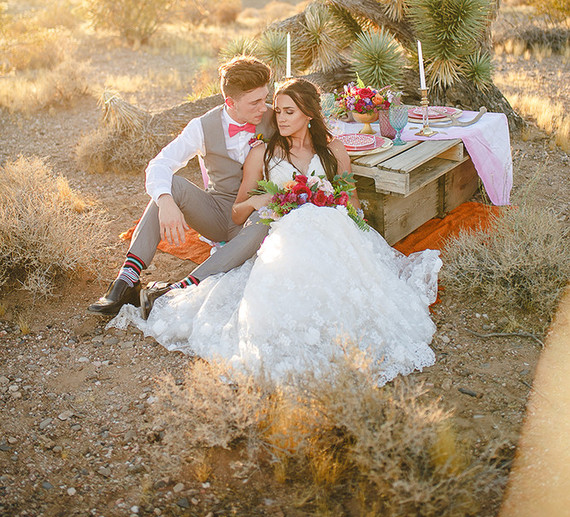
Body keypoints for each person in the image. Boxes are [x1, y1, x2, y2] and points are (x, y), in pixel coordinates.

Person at [108, 79, 442, 385]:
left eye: (287, 111)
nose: (277, 117)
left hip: (330, 233)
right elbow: (238, 212)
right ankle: (133, 280)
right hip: (280, 233)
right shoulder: (263, 152)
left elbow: (352, 201)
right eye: (276, 110)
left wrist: (338, 208)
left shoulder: (334, 150)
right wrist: (263, 200)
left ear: (309, 114)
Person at [88, 56, 273, 316]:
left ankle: (181, 288)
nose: (263, 107)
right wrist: (165, 201)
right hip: (218, 214)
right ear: (230, 102)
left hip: (256, 215)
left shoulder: (277, 118)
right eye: (255, 102)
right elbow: (159, 164)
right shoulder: (202, 126)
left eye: (265, 98)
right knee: (170, 185)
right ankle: (126, 280)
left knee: (265, 220)